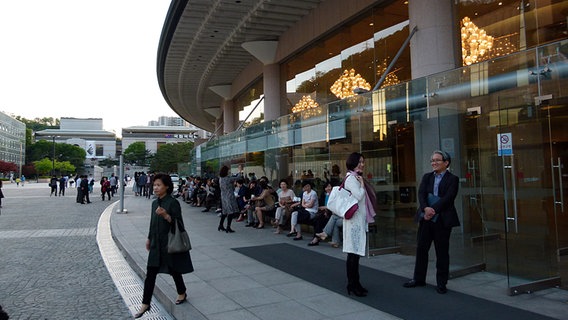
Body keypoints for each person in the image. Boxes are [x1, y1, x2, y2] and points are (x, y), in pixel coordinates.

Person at [135, 173, 194, 318]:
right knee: (151, 273)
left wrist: (166, 216)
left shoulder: (173, 203)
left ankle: (182, 292)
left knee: (174, 269)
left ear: (167, 186)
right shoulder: (154, 203)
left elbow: (179, 223)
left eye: (158, 185)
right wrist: (149, 238)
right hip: (156, 243)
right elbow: (152, 223)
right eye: (154, 185)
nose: (155, 188)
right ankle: (145, 303)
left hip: (169, 243)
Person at [403, 150, 460, 294]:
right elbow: (421, 194)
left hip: (442, 219)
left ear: (446, 163)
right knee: (421, 248)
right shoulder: (427, 177)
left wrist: (432, 210)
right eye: (432, 160)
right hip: (426, 219)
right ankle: (418, 279)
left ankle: (441, 283)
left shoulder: (453, 179)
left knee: (442, 252)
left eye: (437, 160)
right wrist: (425, 209)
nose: (433, 163)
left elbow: (449, 198)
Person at [342, 152, 376, 297]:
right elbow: (359, 195)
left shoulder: (355, 177)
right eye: (359, 162)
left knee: (355, 255)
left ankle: (356, 283)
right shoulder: (351, 178)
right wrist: (362, 184)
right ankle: (352, 284)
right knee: (353, 254)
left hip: (358, 220)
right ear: (353, 163)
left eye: (363, 162)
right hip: (354, 221)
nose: (362, 164)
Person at [217, 165, 243, 233]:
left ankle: (221, 225)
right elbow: (238, 177)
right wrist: (240, 171)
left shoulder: (221, 178)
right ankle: (228, 227)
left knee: (224, 212)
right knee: (230, 212)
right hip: (229, 196)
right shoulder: (228, 178)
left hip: (223, 196)